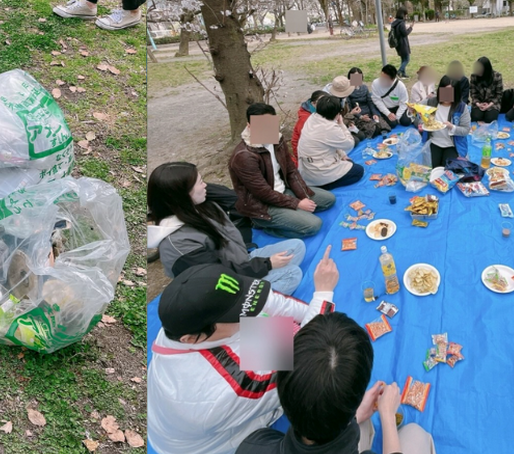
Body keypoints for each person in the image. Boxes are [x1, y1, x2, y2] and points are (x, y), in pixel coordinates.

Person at [148, 259, 341, 454]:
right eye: (235, 315)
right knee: (311, 384)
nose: (247, 315)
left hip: (190, 419)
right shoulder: (224, 389)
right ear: (191, 339)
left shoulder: (184, 323)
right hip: (212, 443)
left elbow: (269, 302)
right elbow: (304, 365)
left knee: (271, 328)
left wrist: (313, 309)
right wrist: (323, 296)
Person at [237, 312, 436, 454]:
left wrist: (356, 415)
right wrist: (388, 418)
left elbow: (253, 341)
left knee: (363, 425)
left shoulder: (252, 445)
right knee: (415, 434)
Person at [147, 162, 305, 294]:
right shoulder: (179, 244)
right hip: (226, 286)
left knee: (297, 246)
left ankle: (268, 282)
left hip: (241, 261)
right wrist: (267, 265)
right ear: (183, 195)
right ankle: (250, 310)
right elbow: (218, 277)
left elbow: (234, 201)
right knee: (292, 274)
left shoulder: (201, 206)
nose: (205, 185)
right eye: (200, 182)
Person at [229, 103, 336, 239]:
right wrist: (296, 203)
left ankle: (293, 213)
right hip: (262, 205)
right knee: (313, 225)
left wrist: (303, 195)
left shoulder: (277, 140)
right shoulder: (244, 156)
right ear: (249, 126)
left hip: (283, 191)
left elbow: (291, 171)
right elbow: (263, 192)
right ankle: (262, 223)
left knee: (328, 200)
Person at [297, 96, 364, 191]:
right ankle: (324, 185)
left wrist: (342, 155)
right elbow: (350, 144)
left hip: (309, 168)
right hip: (318, 171)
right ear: (337, 113)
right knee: (358, 171)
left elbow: (331, 141)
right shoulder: (330, 127)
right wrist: (341, 124)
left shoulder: (312, 118)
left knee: (349, 161)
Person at [420, 76, 471, 168]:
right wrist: (414, 113)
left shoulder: (461, 107)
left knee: (448, 169)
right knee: (431, 168)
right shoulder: (430, 102)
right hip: (434, 141)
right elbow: (417, 111)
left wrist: (452, 127)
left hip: (452, 144)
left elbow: (466, 130)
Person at [291, 90, 332, 167]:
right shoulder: (306, 119)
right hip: (307, 156)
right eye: (321, 102)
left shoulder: (319, 112)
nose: (324, 105)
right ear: (313, 103)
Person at [370, 65, 412, 130]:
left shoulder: (400, 86)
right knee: (392, 124)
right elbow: (377, 101)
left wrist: (397, 116)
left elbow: (404, 102)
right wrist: (388, 113)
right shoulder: (375, 83)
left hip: (398, 107)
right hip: (385, 107)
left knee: (406, 122)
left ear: (393, 79)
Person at [469, 56, 503, 123]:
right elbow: (473, 93)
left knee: (490, 119)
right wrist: (478, 104)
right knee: (475, 117)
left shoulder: (497, 76)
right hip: (479, 102)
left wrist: (489, 105)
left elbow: (499, 95)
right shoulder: (474, 76)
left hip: (492, 103)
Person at [390, 8, 414, 78]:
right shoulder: (401, 23)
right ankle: (399, 71)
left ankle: (403, 73)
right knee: (407, 59)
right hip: (403, 44)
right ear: (403, 15)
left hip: (398, 44)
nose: (406, 16)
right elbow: (405, 33)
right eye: (405, 15)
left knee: (403, 59)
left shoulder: (395, 23)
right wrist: (410, 27)